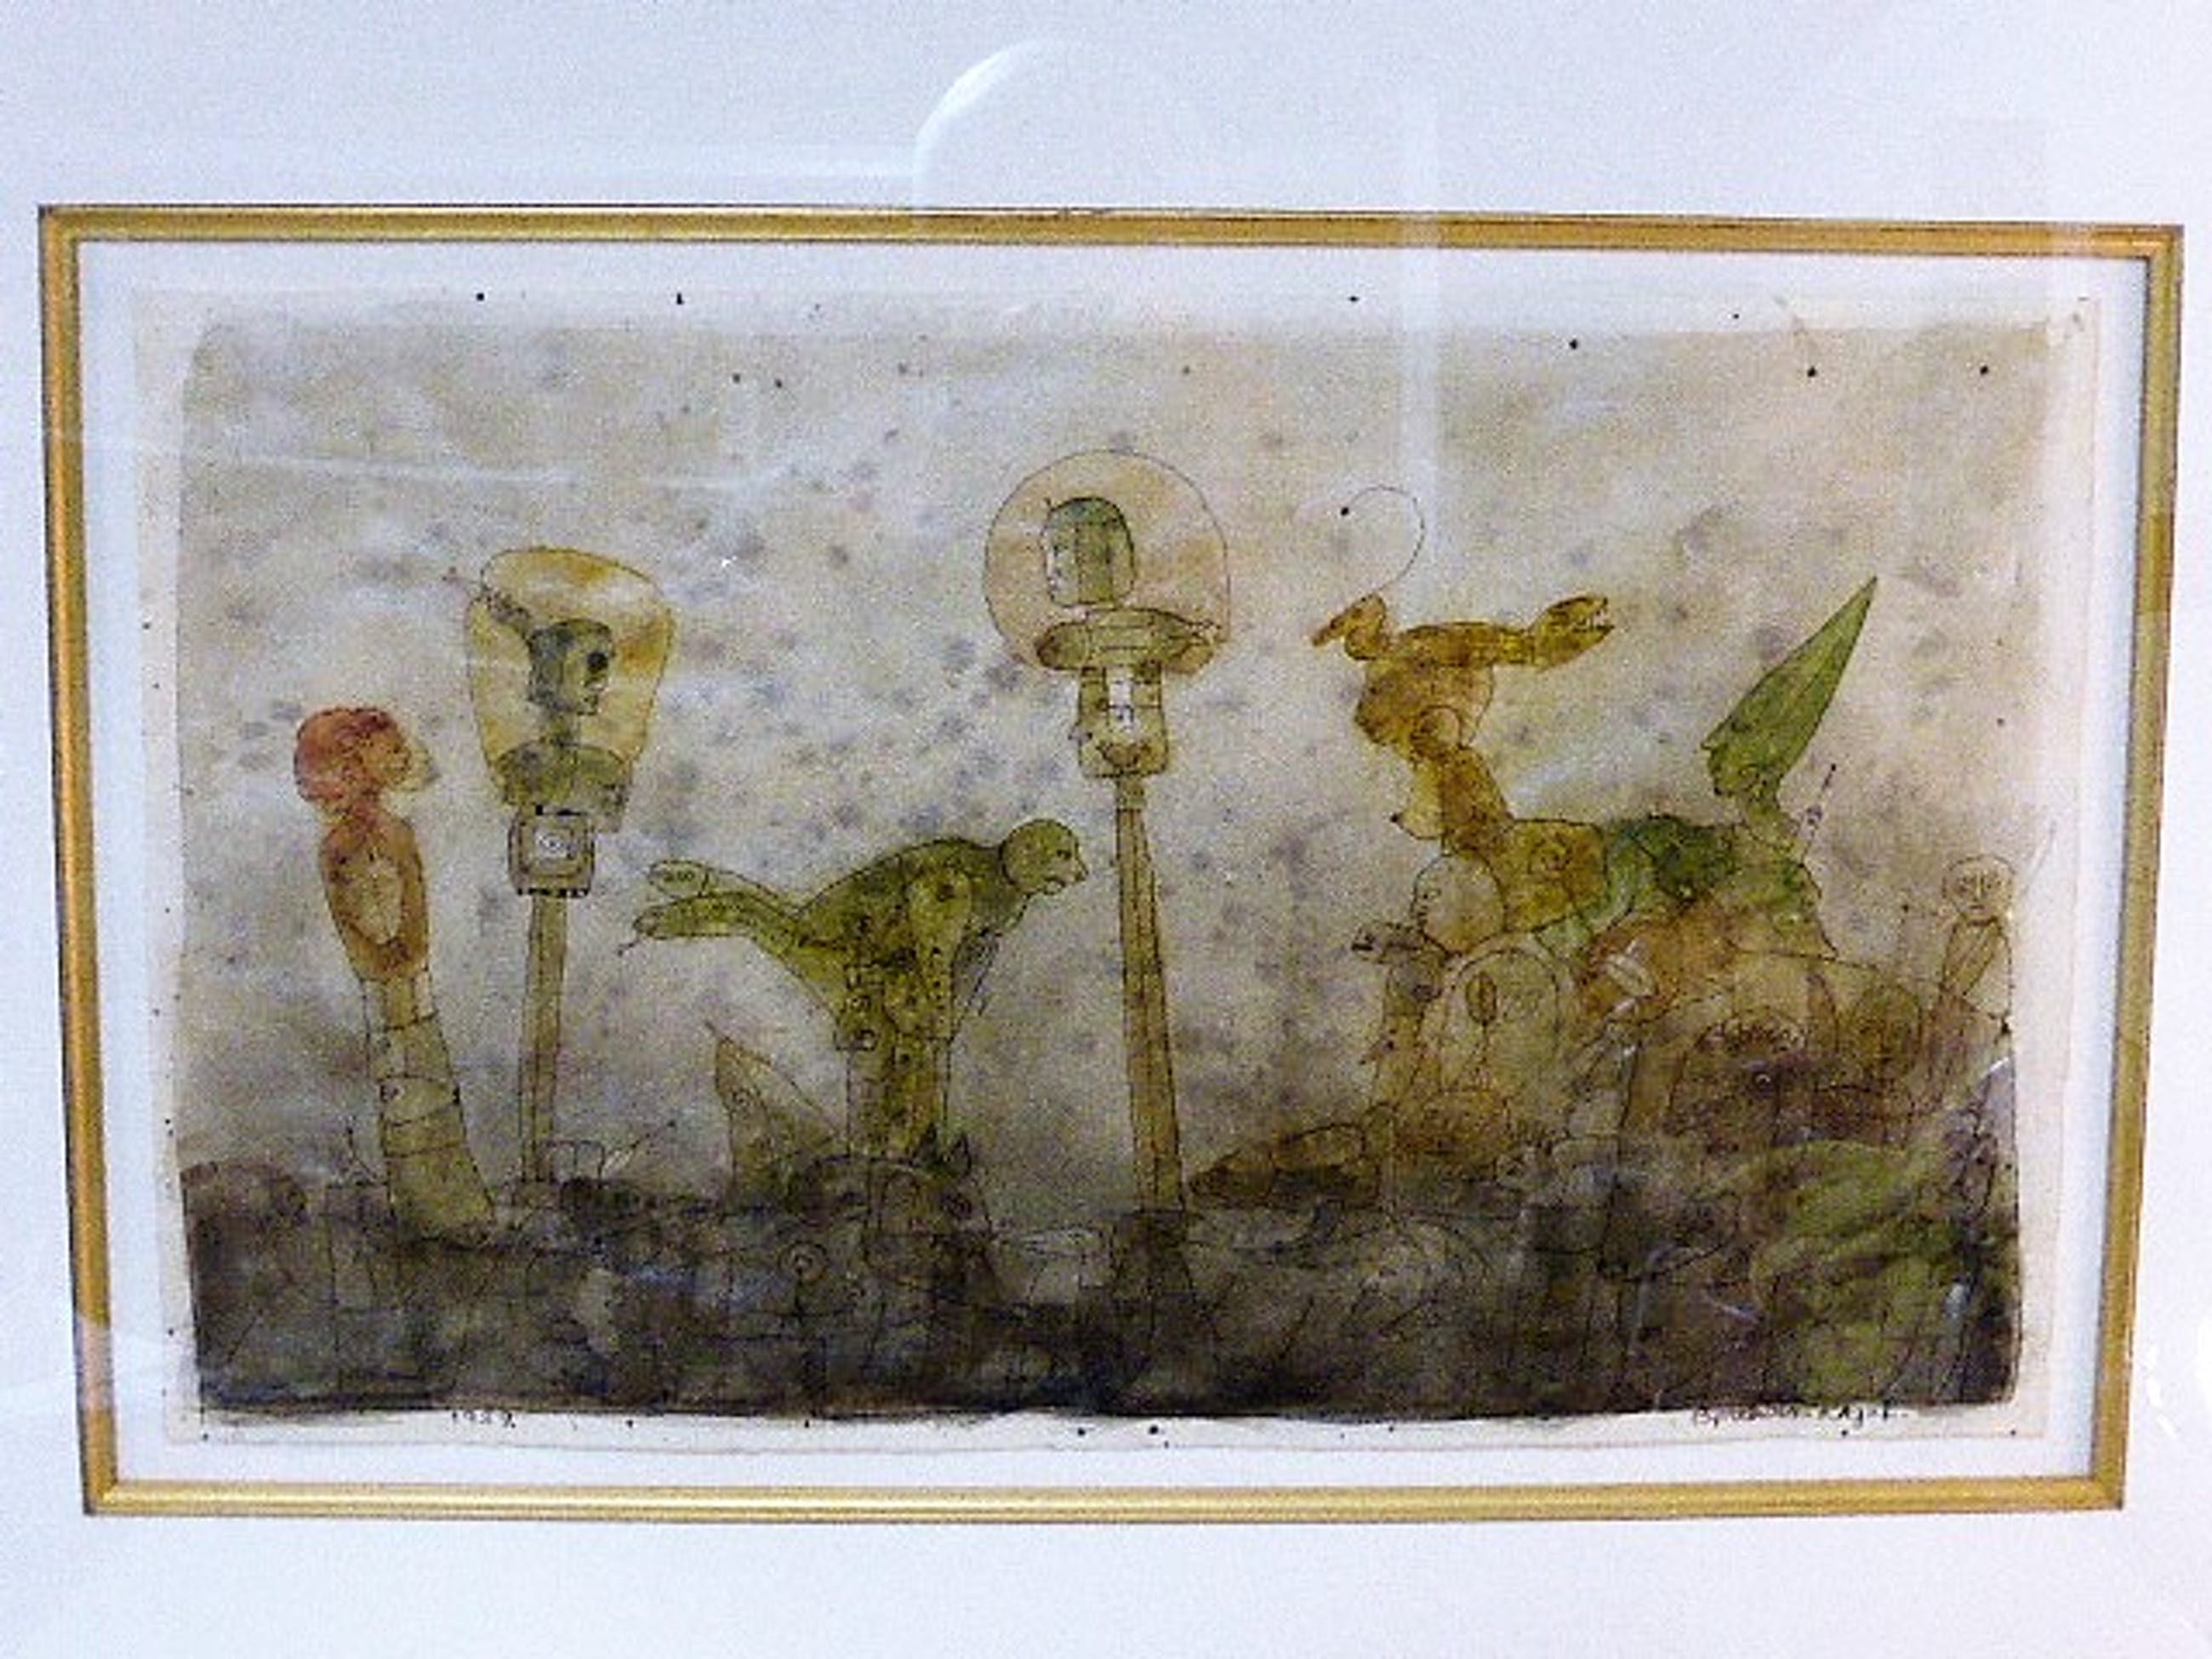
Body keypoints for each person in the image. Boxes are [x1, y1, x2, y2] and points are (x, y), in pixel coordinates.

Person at [635, 820, 1086, 1160]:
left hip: (886, 966)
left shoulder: (1005, 897)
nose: (1079, 872)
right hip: (851, 943)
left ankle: (707, 886)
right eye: (1064, 857)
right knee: (767, 925)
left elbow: (966, 959)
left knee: (776, 923)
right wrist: (939, 1016)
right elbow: (935, 953)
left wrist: (941, 1020)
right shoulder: (956, 883)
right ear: (1027, 851)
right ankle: (694, 903)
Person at [294, 707, 495, 1238]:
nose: (402, 757)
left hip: (409, 974)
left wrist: (406, 953)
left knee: (423, 1074)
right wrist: (373, 959)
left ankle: (450, 1209)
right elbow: (345, 917)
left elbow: (415, 904)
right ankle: (422, 1208)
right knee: (400, 1083)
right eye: (389, 750)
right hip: (378, 979)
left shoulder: (397, 833)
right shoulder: (336, 847)